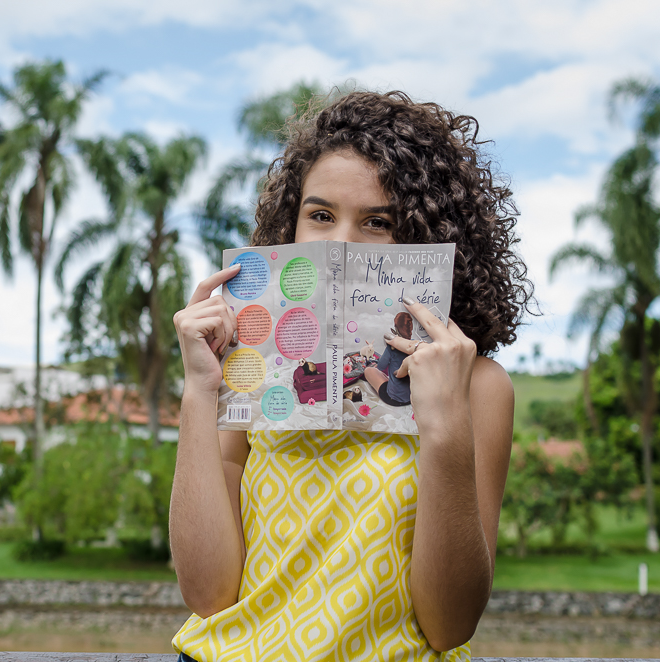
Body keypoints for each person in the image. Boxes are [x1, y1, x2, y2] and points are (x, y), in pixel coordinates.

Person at [170, 91, 532, 661]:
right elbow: (208, 594)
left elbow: (449, 625)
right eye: (320, 215)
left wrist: (443, 429)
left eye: (378, 222)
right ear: (289, 225)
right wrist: (200, 391)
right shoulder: (252, 368)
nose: (340, 242)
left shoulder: (480, 387)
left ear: (424, 239)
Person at [365, 311, 416, 407]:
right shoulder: (416, 346)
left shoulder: (392, 348)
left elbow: (381, 366)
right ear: (411, 327)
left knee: (369, 370)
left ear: (396, 328)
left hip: (393, 398)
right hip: (412, 398)